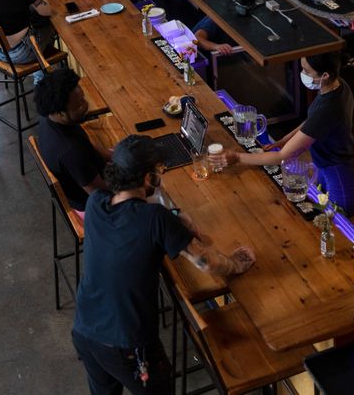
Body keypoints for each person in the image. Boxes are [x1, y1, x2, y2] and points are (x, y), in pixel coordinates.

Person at [72, 135, 255, 395]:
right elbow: (207, 263)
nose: (160, 176)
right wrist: (238, 262)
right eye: (159, 171)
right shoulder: (154, 219)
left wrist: (175, 218)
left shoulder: (97, 202)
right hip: (128, 346)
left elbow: (133, 213)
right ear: (148, 178)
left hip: (85, 332)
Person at [209, 52, 354, 221]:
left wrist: (237, 157)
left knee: (343, 229)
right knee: (322, 217)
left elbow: (281, 156)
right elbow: (312, 122)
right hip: (331, 164)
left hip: (342, 175)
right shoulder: (338, 86)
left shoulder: (329, 108)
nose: (302, 74)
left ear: (325, 75)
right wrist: (285, 140)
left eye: (306, 71)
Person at [34, 68, 108, 216]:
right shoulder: (71, 152)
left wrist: (111, 155)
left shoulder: (49, 118)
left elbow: (88, 145)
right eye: (79, 105)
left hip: (91, 177)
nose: (86, 105)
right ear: (60, 113)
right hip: (91, 206)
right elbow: (102, 195)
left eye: (83, 99)